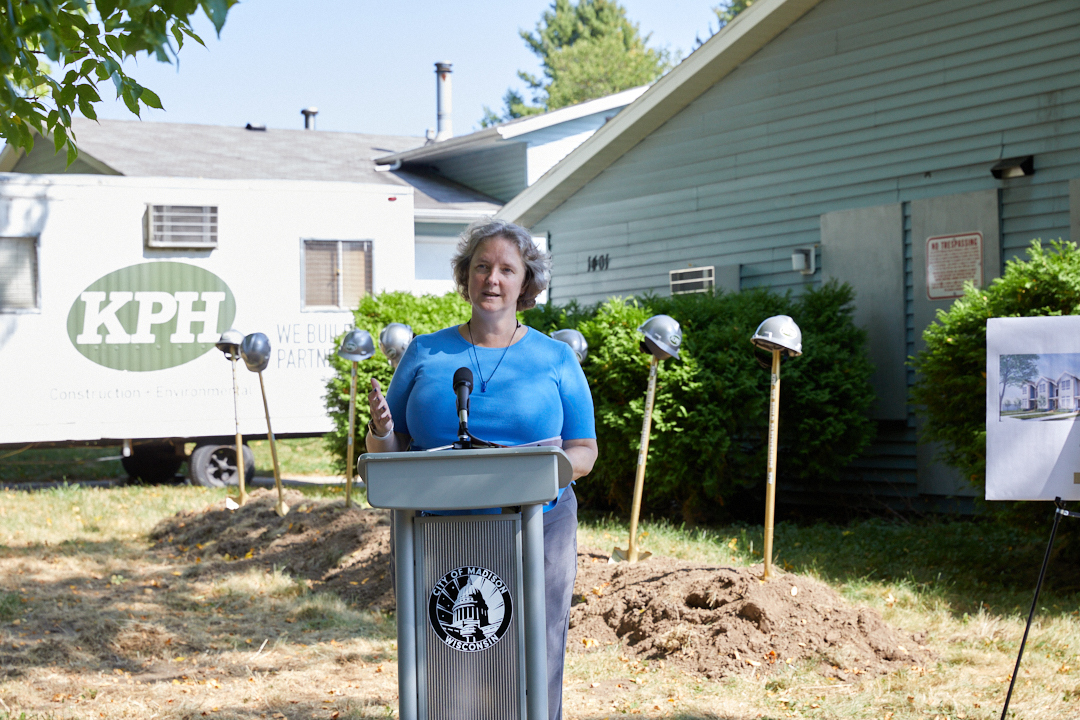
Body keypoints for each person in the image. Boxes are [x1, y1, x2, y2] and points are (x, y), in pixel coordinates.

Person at [365, 217, 598, 720]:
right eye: (481, 267)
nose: (492, 279)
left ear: (526, 281)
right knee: (452, 654)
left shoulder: (556, 358)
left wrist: (550, 471)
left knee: (533, 651)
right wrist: (382, 430)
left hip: (536, 528)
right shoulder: (425, 351)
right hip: (438, 533)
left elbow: (584, 449)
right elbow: (392, 447)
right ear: (465, 276)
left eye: (506, 269)